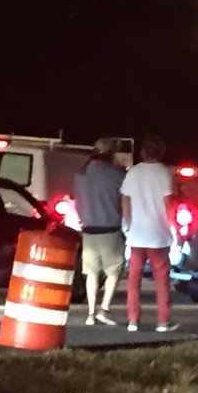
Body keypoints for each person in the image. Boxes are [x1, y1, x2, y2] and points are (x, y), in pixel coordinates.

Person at [120, 134, 178, 332]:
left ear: (143, 152)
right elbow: (168, 203)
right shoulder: (163, 173)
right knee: (162, 279)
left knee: (133, 278)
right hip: (158, 234)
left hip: (136, 234)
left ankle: (133, 320)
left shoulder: (133, 172)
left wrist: (128, 224)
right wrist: (172, 227)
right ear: (160, 152)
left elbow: (125, 200)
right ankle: (162, 321)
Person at [72, 137, 126, 325]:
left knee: (91, 273)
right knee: (113, 271)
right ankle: (104, 309)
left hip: (88, 229)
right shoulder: (117, 175)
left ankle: (90, 314)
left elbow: (77, 201)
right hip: (110, 228)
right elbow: (123, 202)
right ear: (111, 154)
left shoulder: (81, 173)